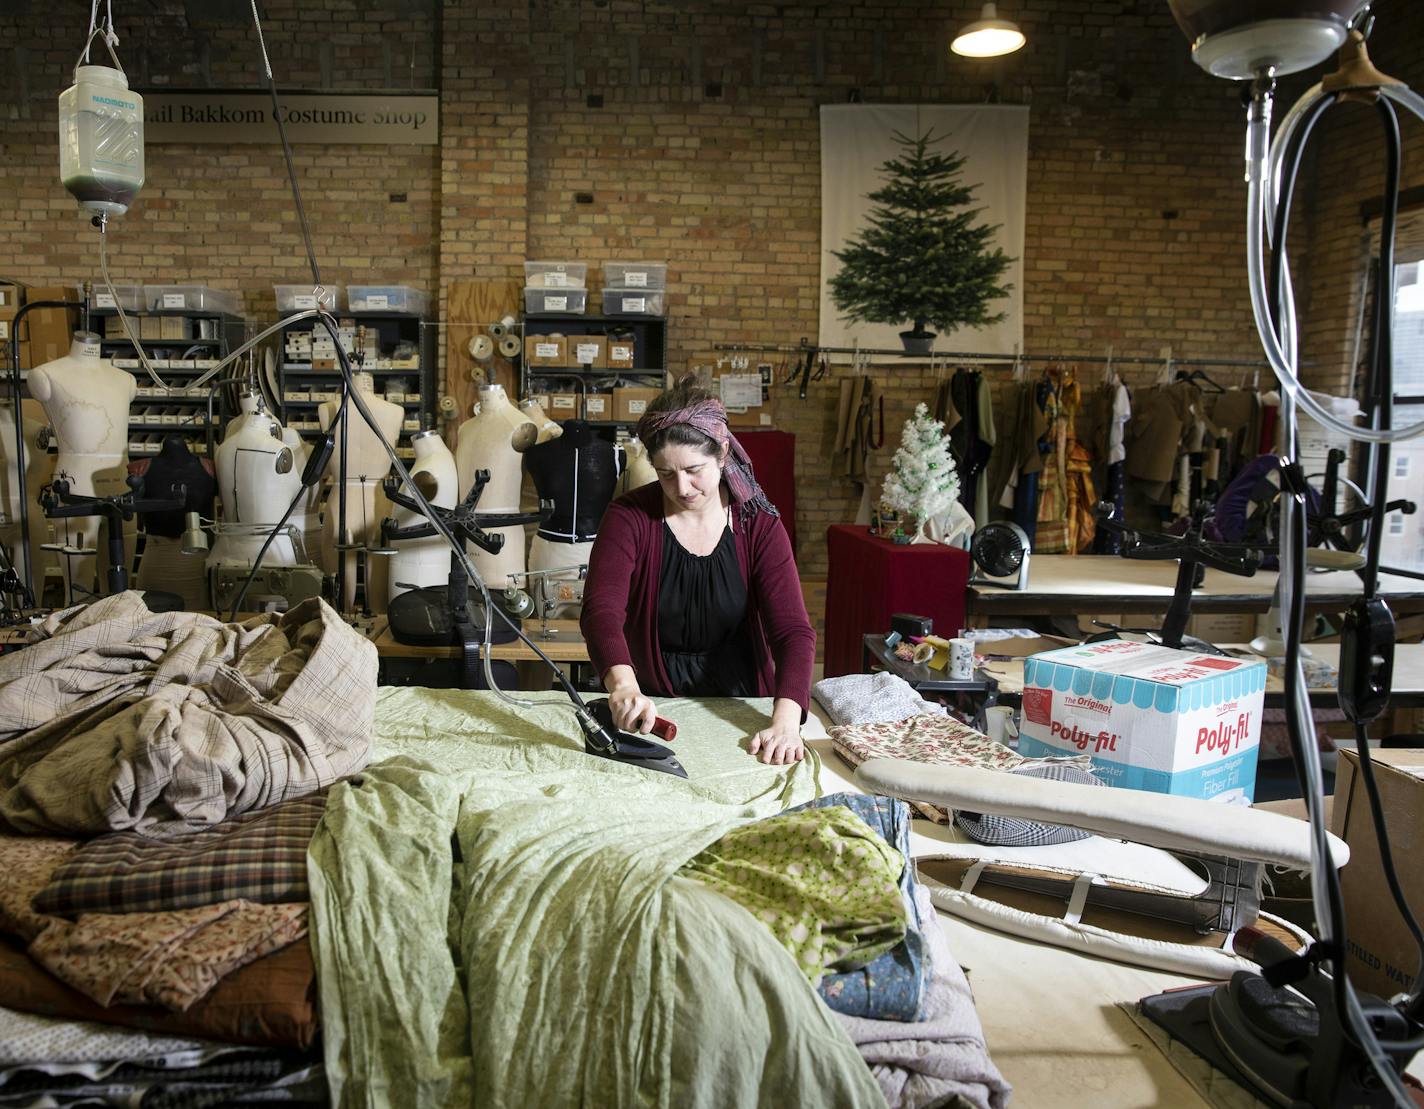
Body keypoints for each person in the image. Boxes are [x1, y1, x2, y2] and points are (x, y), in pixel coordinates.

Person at [580, 376, 815, 765]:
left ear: (723, 453)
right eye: (665, 474)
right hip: (653, 701)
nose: (683, 487)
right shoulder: (630, 517)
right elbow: (601, 609)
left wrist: (787, 722)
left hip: (742, 699)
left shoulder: (757, 524)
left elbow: (792, 631)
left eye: (694, 470)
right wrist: (623, 685)